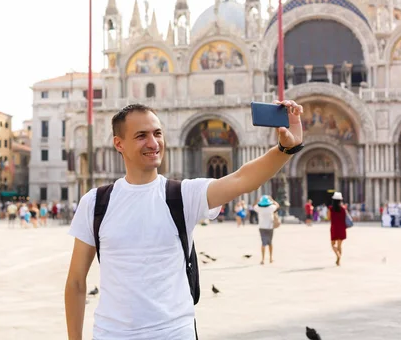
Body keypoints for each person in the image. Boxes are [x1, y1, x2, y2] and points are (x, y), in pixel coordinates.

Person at [65, 101, 304, 339]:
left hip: (175, 333)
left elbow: (242, 179)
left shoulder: (183, 195)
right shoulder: (96, 202)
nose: (153, 143)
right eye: (141, 136)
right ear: (119, 143)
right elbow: (76, 282)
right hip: (112, 335)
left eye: (157, 133)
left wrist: (285, 149)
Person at [254, 195, 279, 265]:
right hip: (270, 227)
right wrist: (272, 200)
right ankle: (271, 258)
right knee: (270, 242)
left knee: (263, 243)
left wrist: (258, 200)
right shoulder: (271, 207)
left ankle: (262, 259)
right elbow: (277, 205)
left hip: (261, 227)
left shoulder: (259, 208)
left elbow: (254, 206)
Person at [328, 192, 347, 266]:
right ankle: (338, 260)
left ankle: (337, 255)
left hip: (334, 227)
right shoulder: (343, 209)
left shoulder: (330, 208)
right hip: (342, 228)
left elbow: (328, 218)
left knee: (333, 245)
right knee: (339, 246)